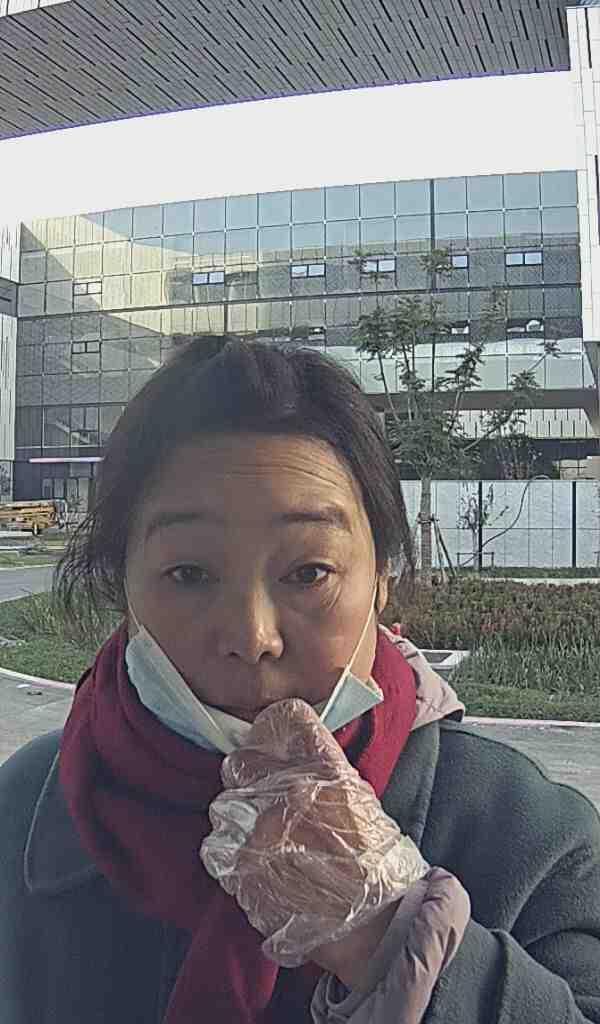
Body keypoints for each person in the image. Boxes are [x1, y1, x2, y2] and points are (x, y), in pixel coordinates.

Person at [0, 336, 599, 1024]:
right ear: (123, 588)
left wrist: (392, 935)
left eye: (309, 572)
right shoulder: (22, 811)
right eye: (189, 573)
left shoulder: (533, 837)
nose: (253, 636)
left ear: (381, 580)